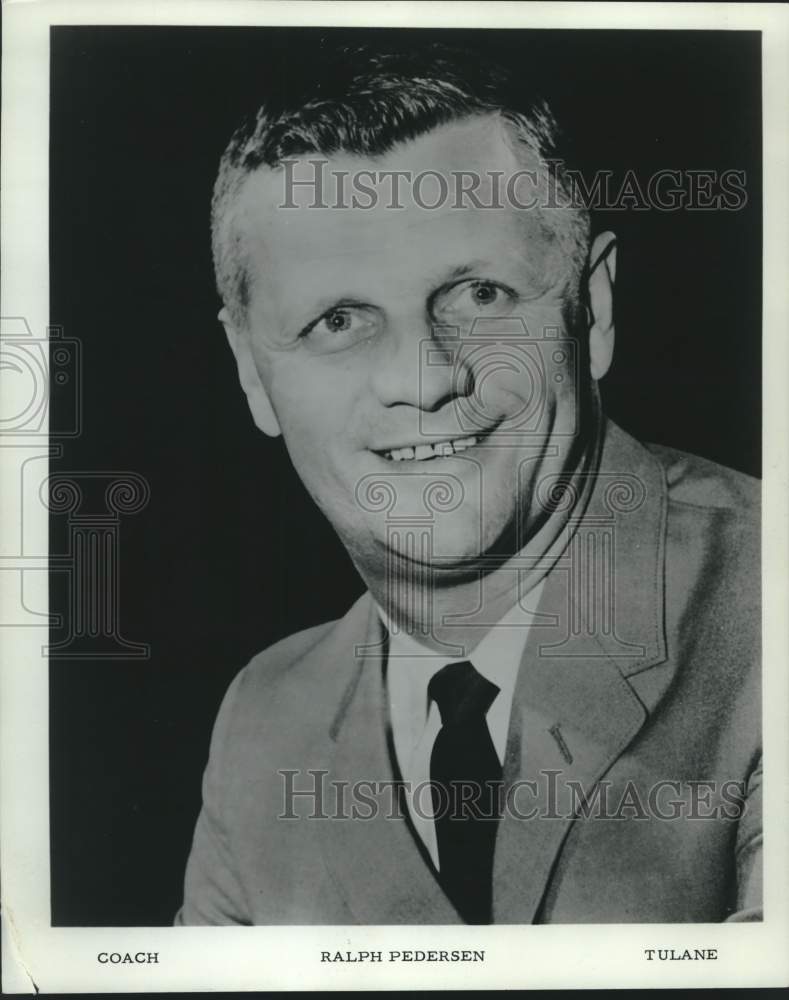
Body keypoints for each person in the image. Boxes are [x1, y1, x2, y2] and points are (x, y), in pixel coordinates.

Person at [175, 43, 761, 925]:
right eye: (338, 320)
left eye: (480, 296)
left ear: (591, 310)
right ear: (251, 373)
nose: (423, 376)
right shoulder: (266, 721)